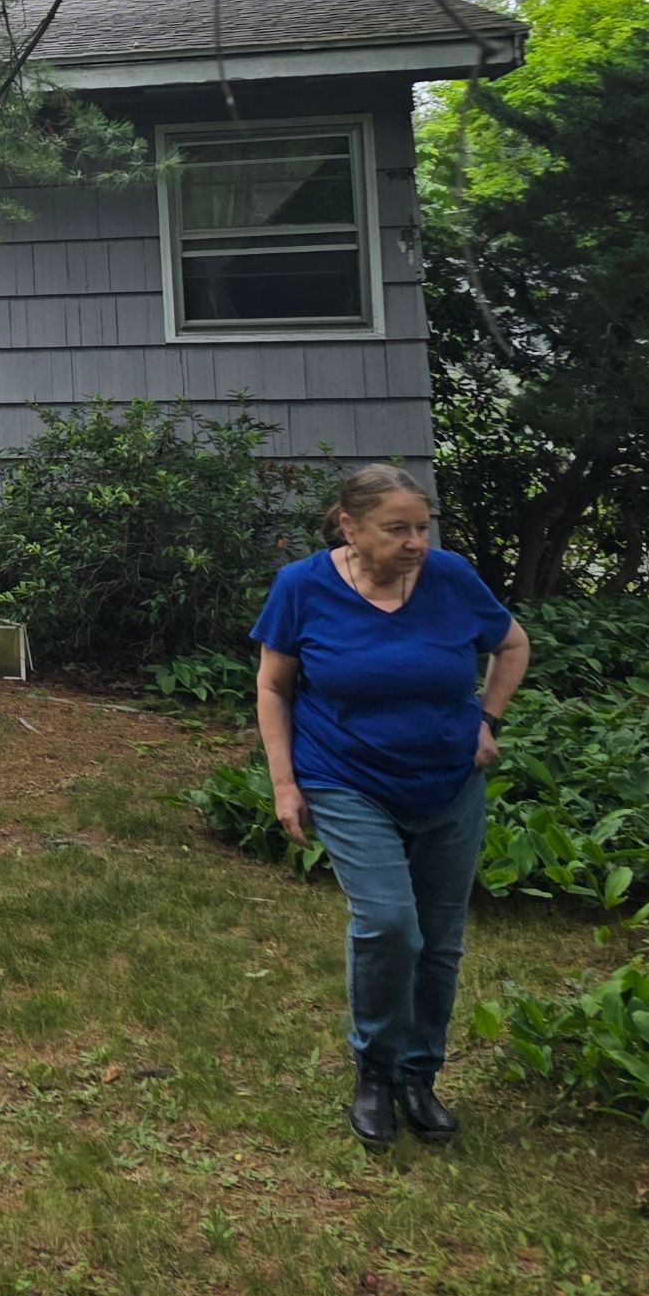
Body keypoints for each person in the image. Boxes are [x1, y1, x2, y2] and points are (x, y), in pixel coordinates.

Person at [252, 463, 529, 1148]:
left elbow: (513, 643)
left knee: (439, 943)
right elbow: (274, 686)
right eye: (396, 529)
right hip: (346, 779)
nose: (414, 543)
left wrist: (487, 718)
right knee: (388, 925)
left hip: (448, 783)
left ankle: (419, 1075)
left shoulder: (451, 578)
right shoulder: (302, 587)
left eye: (421, 528)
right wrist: (285, 783)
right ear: (349, 525)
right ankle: (375, 1072)